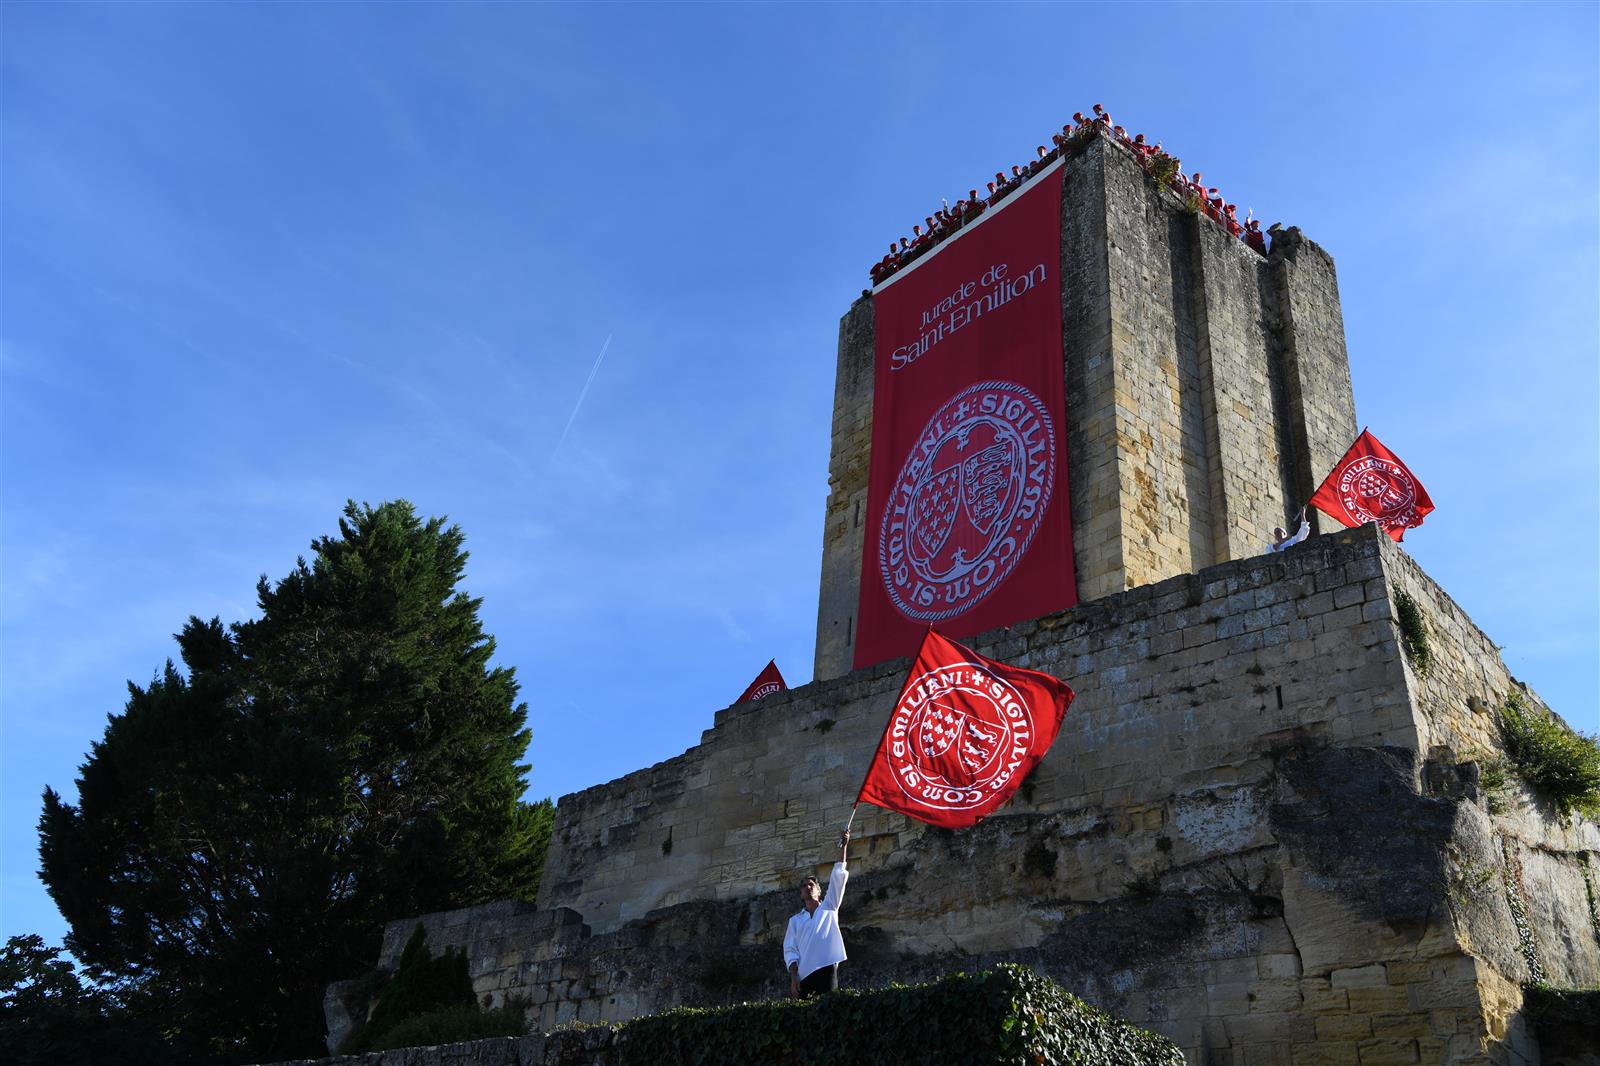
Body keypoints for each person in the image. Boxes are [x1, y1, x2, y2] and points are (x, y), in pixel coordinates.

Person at [783, 829, 850, 998]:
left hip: (827, 967)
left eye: (811, 884)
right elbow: (790, 951)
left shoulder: (829, 906)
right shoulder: (795, 921)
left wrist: (843, 847)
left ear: (819, 890)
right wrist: (793, 978)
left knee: (829, 1010)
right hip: (804, 976)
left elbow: (837, 879)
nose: (808, 887)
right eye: (804, 885)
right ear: (800, 894)